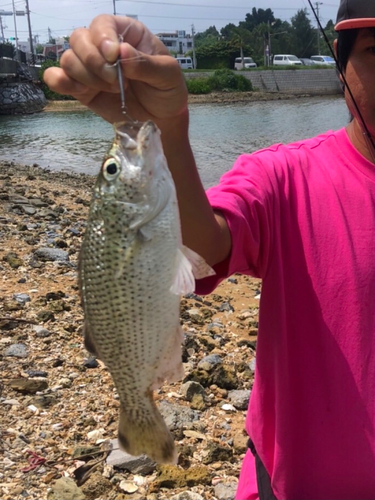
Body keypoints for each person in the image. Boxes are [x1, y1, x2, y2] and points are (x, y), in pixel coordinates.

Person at [44, 0, 375, 498]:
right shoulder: (286, 178)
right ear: (340, 64)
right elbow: (206, 244)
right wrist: (170, 129)